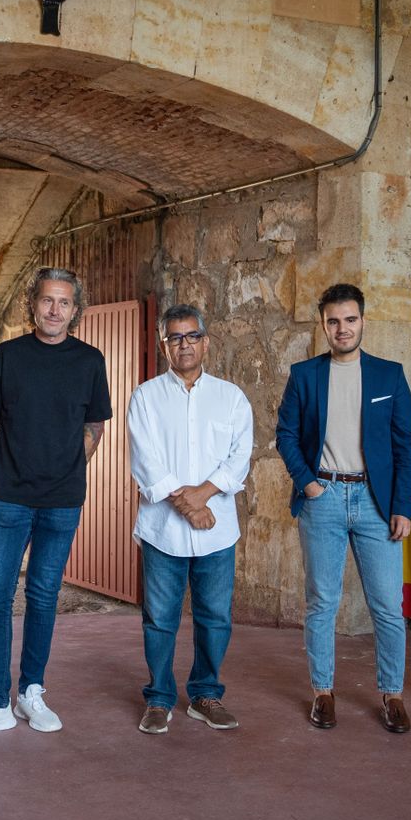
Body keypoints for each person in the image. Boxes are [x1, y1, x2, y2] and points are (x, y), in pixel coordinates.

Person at [0, 267, 111, 739]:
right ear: (32, 305)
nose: (54, 310)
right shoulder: (7, 356)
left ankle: (31, 691)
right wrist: (11, 468)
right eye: (46, 301)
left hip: (62, 502)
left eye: (63, 302)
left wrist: (62, 469)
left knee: (43, 595)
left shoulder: (89, 360)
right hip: (9, 500)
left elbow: (94, 428)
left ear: (75, 310)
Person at [275, 283, 411, 734]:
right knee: (322, 602)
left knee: (388, 607)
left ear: (363, 321)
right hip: (325, 499)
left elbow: (405, 446)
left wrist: (402, 507)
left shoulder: (388, 375)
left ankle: (392, 694)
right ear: (323, 324)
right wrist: (309, 484)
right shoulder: (305, 375)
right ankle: (323, 691)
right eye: (334, 321)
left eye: (350, 320)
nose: (342, 328)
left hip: (377, 503)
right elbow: (286, 435)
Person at [127, 304, 252, 735]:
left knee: (215, 616)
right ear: (164, 345)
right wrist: (188, 506)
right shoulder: (145, 397)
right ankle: (159, 699)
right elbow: (147, 462)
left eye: (192, 336)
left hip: (216, 532)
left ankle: (205, 695)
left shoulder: (232, 398)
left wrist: (202, 497)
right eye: (175, 338)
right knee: (160, 617)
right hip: (164, 531)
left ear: (206, 341)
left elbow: (239, 459)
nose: (185, 345)